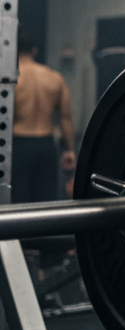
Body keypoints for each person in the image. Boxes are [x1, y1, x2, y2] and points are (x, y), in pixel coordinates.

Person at [13, 28, 76, 203]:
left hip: (17, 145)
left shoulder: (9, 80)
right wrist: (69, 150)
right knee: (44, 203)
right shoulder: (54, 77)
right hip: (46, 145)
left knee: (17, 202)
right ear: (34, 50)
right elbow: (65, 117)